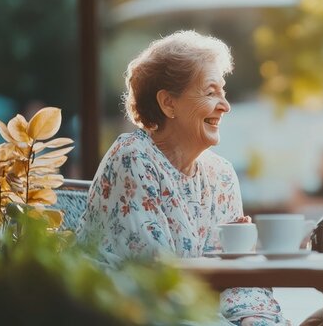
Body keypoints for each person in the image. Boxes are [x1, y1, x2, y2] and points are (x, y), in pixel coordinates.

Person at [77, 31, 287, 325]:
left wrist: (254, 317)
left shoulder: (221, 175)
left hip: (191, 310)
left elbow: (234, 279)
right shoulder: (133, 158)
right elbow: (160, 280)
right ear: (168, 103)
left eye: (223, 92)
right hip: (130, 311)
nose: (225, 105)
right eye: (211, 92)